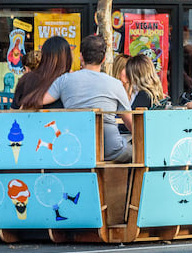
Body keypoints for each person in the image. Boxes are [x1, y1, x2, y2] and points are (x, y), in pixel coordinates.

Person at [40, 35, 134, 163]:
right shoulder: (116, 84)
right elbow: (131, 125)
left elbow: (40, 100)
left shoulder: (64, 80)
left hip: (77, 149)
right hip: (111, 151)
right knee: (135, 153)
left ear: (81, 57)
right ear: (104, 59)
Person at [13, 37, 73, 109]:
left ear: (43, 57)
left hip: (29, 119)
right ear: (68, 58)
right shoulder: (69, 81)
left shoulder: (27, 79)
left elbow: (12, 113)